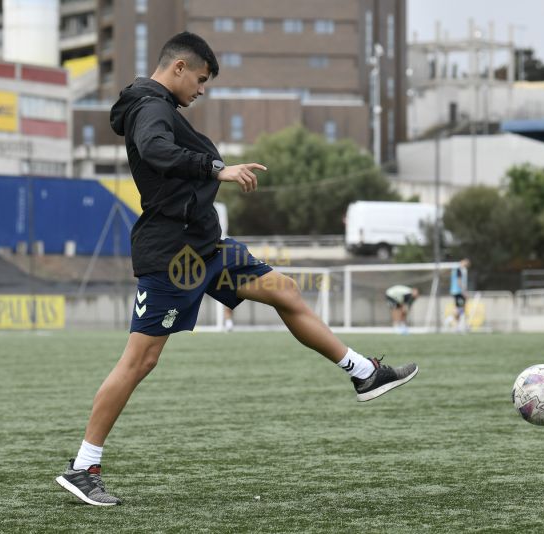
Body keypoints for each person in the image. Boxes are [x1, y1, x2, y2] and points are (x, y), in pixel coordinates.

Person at [54, 32, 419, 507]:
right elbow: (157, 151)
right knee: (140, 360)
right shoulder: (151, 109)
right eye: (201, 79)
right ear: (179, 67)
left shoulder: (158, 106)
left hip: (208, 246)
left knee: (284, 290)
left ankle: (364, 372)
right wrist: (215, 168)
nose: (202, 89)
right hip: (175, 256)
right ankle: (83, 466)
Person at [449, 258, 470, 333]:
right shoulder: (458, 270)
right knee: (460, 308)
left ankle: (458, 326)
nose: (466, 265)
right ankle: (451, 319)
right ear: (462, 262)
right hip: (458, 292)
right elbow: (459, 282)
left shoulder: (459, 270)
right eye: (466, 263)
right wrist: (464, 292)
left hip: (457, 292)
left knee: (460, 307)